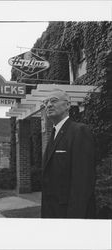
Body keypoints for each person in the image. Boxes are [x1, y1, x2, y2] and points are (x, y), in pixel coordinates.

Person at [41, 89, 96, 218]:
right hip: (51, 213)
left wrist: (74, 222)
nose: (48, 105)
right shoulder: (53, 134)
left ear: (67, 105)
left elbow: (83, 182)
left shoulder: (79, 132)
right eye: (46, 102)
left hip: (68, 215)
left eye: (53, 100)